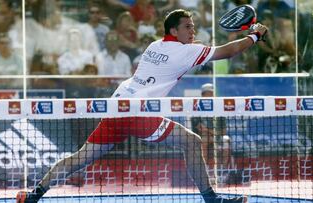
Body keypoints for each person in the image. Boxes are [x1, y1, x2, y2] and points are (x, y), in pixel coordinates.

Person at [17, 9, 267, 203]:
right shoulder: (187, 52)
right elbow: (230, 51)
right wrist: (255, 35)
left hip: (117, 106)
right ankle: (211, 198)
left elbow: (187, 50)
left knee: (81, 158)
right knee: (191, 141)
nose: (193, 30)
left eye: (193, 27)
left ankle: (34, 194)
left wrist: (194, 42)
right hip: (136, 112)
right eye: (187, 27)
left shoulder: (155, 45)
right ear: (173, 29)